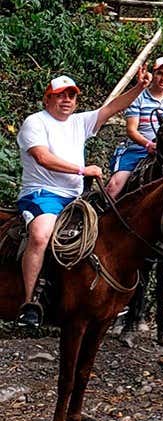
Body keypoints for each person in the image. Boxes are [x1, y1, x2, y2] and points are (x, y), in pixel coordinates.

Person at [15, 68, 152, 327]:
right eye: (60, 95)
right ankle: (29, 301)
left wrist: (140, 88)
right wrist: (81, 169)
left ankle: (101, 295)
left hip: (77, 196)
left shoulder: (79, 121)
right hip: (43, 193)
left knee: (111, 232)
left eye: (72, 96)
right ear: (47, 99)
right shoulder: (36, 122)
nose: (67, 100)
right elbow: (42, 157)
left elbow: (111, 108)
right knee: (41, 233)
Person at [106, 56, 163, 200]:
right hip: (139, 149)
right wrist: (148, 144)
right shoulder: (139, 98)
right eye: (159, 73)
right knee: (114, 186)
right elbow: (131, 130)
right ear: (153, 74)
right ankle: (99, 218)